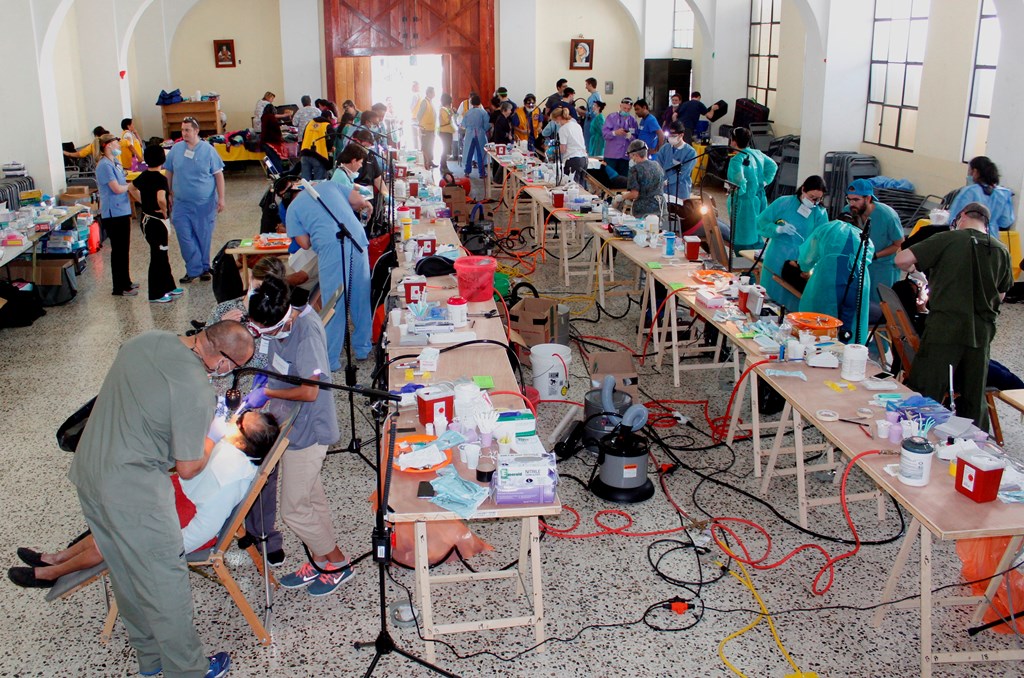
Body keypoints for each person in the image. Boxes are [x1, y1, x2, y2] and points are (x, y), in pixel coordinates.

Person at [68, 320, 254, 678]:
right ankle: (188, 671)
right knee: (166, 580)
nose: (231, 374)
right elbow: (187, 468)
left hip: (89, 471)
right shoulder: (197, 389)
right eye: (235, 367)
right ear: (222, 362)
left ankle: (151, 660)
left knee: (124, 572)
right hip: (132, 491)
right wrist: (212, 439)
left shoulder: (146, 341)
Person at [10, 410, 280, 588]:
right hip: (179, 501)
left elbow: (204, 529)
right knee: (115, 518)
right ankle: (57, 558)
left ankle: (51, 574)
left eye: (240, 422)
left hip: (181, 528)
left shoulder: (230, 478)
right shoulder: (235, 451)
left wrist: (166, 545)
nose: (235, 419)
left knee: (114, 537)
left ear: (243, 442)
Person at [238, 283, 350, 597]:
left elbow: (311, 391)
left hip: (310, 429)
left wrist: (268, 392)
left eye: (267, 330)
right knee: (312, 499)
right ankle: (320, 561)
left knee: (293, 510)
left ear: (285, 321)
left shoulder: (306, 333)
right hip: (291, 423)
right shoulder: (278, 315)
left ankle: (338, 562)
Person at [895, 202, 1013, 431]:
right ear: (986, 223)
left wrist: (914, 270)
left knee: (928, 386)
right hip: (981, 332)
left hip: (945, 328)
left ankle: (914, 439)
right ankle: (974, 448)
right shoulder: (1000, 250)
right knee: (973, 393)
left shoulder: (948, 239)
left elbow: (901, 260)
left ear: (961, 217)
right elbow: (1001, 293)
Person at [285, 181, 372, 367]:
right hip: (357, 240)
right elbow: (358, 201)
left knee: (334, 304)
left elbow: (304, 244)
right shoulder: (330, 185)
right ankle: (363, 348)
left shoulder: (292, 210)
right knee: (361, 298)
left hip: (331, 249)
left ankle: (331, 359)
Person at [165, 117, 226, 284]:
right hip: (181, 203)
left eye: (187, 130)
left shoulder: (208, 150)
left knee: (203, 235)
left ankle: (204, 268)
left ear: (196, 131)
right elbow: (169, 171)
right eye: (182, 130)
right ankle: (193, 269)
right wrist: (168, 192)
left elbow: (218, 175)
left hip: (204, 203)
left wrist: (221, 198)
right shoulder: (176, 150)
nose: (184, 133)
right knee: (184, 236)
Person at [755, 175, 829, 311]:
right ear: (803, 190)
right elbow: (761, 222)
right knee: (769, 300)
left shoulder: (820, 214)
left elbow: (820, 243)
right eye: (812, 197)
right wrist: (777, 228)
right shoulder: (783, 203)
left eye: (818, 199)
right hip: (776, 257)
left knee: (792, 303)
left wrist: (808, 266)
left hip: (798, 264)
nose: (814, 202)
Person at [798, 215, 874, 345]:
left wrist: (805, 268)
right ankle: (848, 353)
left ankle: (819, 350)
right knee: (852, 324)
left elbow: (807, 257)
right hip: (859, 281)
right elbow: (867, 259)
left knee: (821, 321)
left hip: (828, 277)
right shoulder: (864, 238)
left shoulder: (827, 229)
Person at [129, 145, 183, 303]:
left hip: (147, 220)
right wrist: (165, 211)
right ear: (162, 160)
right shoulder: (161, 179)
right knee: (158, 256)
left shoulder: (143, 176)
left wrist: (143, 201)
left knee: (163, 254)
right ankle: (155, 294)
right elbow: (161, 198)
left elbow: (131, 188)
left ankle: (169, 286)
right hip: (156, 222)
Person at [844, 179, 904, 302]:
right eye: (849, 199)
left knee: (881, 305)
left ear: (868, 198)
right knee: (858, 303)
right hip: (858, 265)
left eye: (856, 200)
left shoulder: (887, 216)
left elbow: (898, 244)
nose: (851, 204)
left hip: (883, 268)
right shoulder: (848, 212)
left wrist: (874, 256)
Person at [95, 134, 136, 297]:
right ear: (107, 145)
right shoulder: (104, 166)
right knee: (118, 251)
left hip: (122, 210)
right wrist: (132, 186)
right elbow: (117, 188)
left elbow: (122, 182)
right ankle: (119, 287)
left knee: (124, 249)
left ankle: (126, 281)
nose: (119, 146)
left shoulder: (115, 163)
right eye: (115, 143)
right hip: (113, 214)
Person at [726, 126, 778, 251]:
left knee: (743, 235)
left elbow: (738, 182)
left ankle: (743, 264)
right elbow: (773, 165)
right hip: (759, 198)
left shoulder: (737, 160)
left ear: (733, 141)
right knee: (757, 231)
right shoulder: (757, 154)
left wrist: (739, 191)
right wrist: (764, 181)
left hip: (744, 202)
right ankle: (755, 261)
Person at [947, 156, 1016, 238]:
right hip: (991, 239)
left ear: (975, 172)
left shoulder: (969, 192)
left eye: (970, 171)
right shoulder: (1003, 194)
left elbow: (954, 219)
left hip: (969, 238)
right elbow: (1006, 221)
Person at [620, 139, 664, 220]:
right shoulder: (656, 165)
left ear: (635, 155)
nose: (630, 159)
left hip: (643, 211)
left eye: (630, 156)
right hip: (659, 208)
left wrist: (623, 197)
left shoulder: (635, 169)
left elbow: (634, 194)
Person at [655, 121, 697, 201]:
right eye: (669, 135)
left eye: (673, 136)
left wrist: (668, 181)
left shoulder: (690, 152)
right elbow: (658, 165)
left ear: (681, 135)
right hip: (663, 190)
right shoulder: (665, 148)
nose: (670, 138)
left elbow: (684, 173)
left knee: (680, 212)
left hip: (680, 191)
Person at [330, 143, 373, 212]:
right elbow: (351, 202)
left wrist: (359, 187)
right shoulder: (341, 177)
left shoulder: (343, 172)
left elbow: (349, 185)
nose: (361, 165)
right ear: (353, 161)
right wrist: (366, 204)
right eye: (360, 162)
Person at [602, 98, 639, 177]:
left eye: (628, 109)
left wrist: (630, 137)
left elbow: (636, 139)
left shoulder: (633, 121)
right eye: (624, 108)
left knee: (623, 180)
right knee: (609, 179)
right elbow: (605, 134)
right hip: (611, 156)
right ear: (620, 106)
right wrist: (615, 133)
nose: (626, 110)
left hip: (625, 156)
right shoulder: (611, 117)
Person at [552, 107, 588, 183]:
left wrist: (554, 150)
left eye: (555, 120)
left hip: (573, 160)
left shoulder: (563, 129)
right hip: (584, 159)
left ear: (558, 118)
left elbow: (563, 149)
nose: (555, 122)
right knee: (581, 187)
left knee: (571, 186)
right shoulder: (576, 125)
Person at [460, 94, 490, 180]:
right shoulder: (483, 112)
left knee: (469, 153)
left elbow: (463, 124)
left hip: (469, 134)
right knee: (481, 153)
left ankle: (467, 171)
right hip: (480, 134)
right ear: (480, 102)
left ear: (471, 103)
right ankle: (482, 173)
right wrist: (483, 130)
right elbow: (487, 125)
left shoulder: (468, 112)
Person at [298, 113, 334, 181]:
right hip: (319, 156)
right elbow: (330, 140)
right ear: (329, 118)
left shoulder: (310, 123)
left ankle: (304, 191)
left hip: (304, 153)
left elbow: (303, 137)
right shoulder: (327, 125)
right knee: (318, 182)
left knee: (305, 181)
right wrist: (330, 149)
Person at [415, 86, 437, 167]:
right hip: (425, 129)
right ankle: (424, 162)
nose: (434, 94)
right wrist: (420, 125)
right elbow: (419, 115)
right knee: (425, 146)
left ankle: (430, 161)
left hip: (431, 128)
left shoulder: (430, 102)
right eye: (433, 92)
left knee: (431, 146)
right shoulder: (424, 102)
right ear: (429, 93)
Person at [438, 93, 456, 174]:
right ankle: (443, 166)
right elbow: (446, 120)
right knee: (445, 149)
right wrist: (451, 113)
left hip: (447, 131)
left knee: (447, 149)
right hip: (444, 131)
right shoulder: (442, 109)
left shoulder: (446, 109)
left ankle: (444, 165)